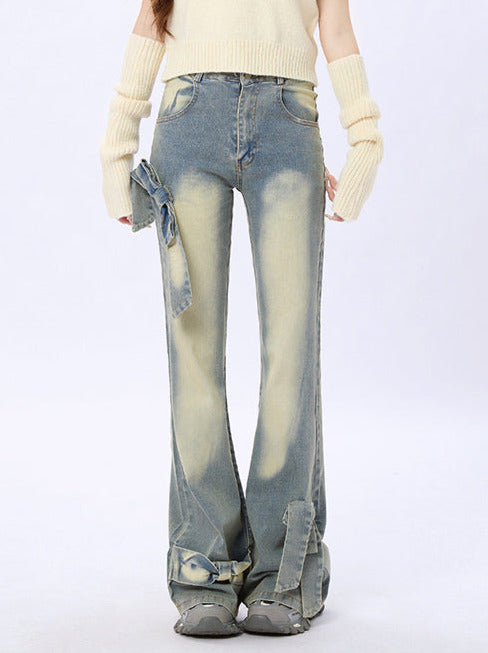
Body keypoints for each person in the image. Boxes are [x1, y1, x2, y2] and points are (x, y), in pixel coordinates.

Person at [99, 0, 384, 638]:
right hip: (188, 118)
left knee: (291, 357)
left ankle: (285, 572)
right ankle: (204, 570)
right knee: (193, 355)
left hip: (289, 121)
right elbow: (151, 18)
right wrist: (117, 150)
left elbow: (336, 27)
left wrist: (365, 137)